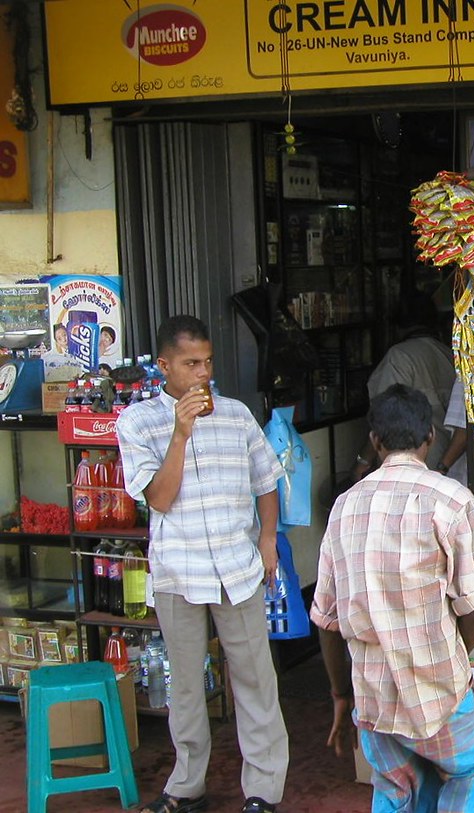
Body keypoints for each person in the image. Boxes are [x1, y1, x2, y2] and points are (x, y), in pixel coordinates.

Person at [312, 384, 474, 813]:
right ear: (430, 436)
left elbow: (327, 620)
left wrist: (340, 694)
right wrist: (453, 658)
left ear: (375, 441)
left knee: (398, 790)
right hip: (438, 692)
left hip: (373, 698)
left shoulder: (344, 506)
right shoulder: (452, 500)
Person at [116, 315, 289, 813]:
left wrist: (268, 540)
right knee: (187, 685)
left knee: (255, 680)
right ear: (164, 366)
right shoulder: (137, 423)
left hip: (238, 568)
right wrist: (180, 433)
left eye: (208, 362)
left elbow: (266, 480)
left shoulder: (236, 415)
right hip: (178, 572)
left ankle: (263, 791)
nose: (203, 374)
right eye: (191, 364)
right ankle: (187, 786)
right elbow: (159, 499)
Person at [351, 293, 456, 480]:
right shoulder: (449, 355)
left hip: (410, 465)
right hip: (450, 462)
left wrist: (363, 461)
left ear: (397, 326)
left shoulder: (398, 357)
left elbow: (385, 418)